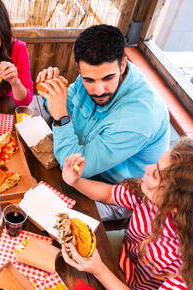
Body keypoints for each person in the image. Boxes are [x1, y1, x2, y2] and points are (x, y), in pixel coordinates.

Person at [60, 139, 193, 290]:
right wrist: (76, 181)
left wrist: (100, 271)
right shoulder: (149, 199)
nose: (147, 167)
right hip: (123, 262)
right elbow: (110, 194)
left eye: (156, 174)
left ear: (174, 204)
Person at [37, 24, 170, 185]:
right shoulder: (94, 71)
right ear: (80, 70)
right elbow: (64, 106)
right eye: (89, 80)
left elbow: (75, 169)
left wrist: (61, 119)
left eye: (108, 78)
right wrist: (50, 91)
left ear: (123, 65)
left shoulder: (139, 118)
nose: (99, 91)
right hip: (77, 163)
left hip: (116, 195)